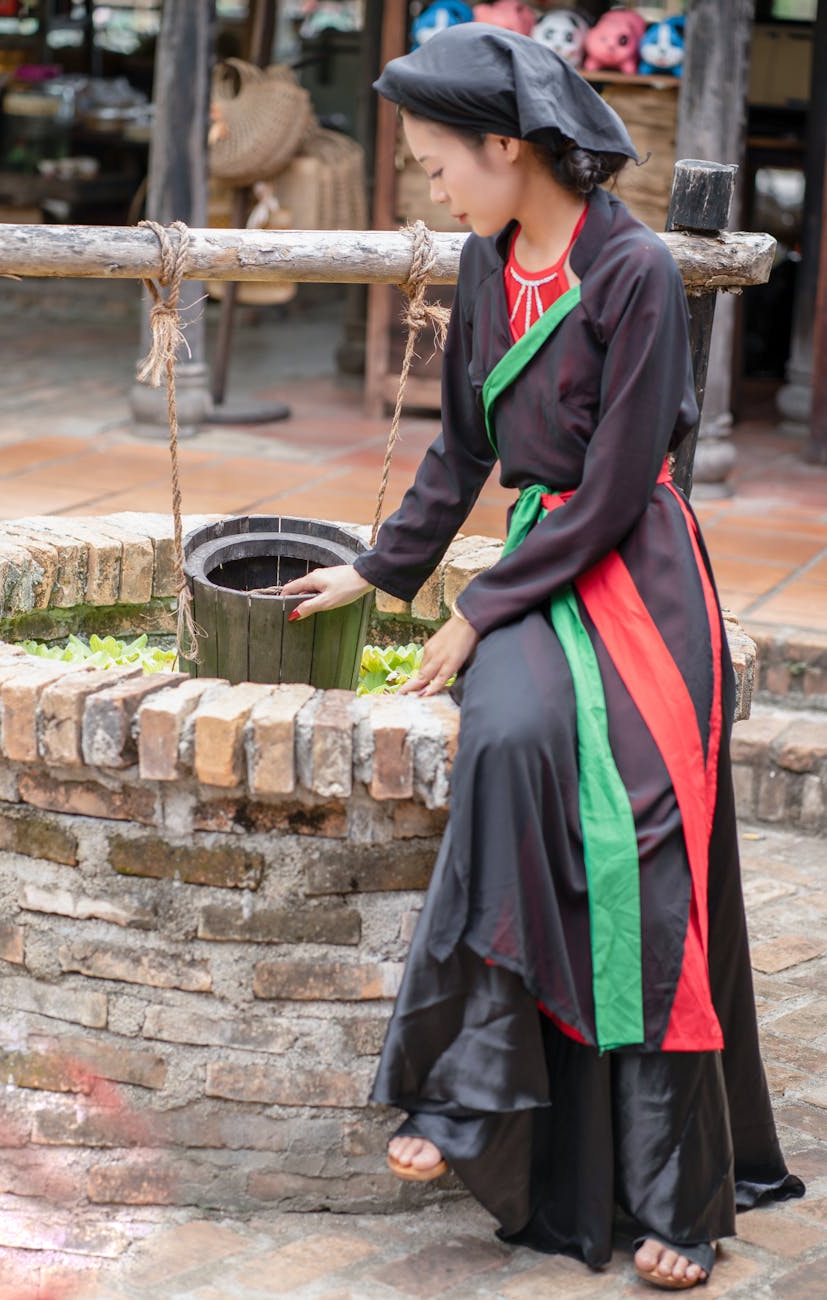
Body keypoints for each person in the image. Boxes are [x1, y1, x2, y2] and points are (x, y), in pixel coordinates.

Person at [281, 23, 803, 1292]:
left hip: (639, 582)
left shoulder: (631, 271)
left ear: (509, 148)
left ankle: (676, 1185)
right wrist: (381, 567)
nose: (433, 187)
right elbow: (463, 449)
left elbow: (624, 483)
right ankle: (470, 1089)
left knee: (650, 823)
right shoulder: (480, 264)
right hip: (536, 568)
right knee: (508, 741)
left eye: (441, 163)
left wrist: (472, 614)